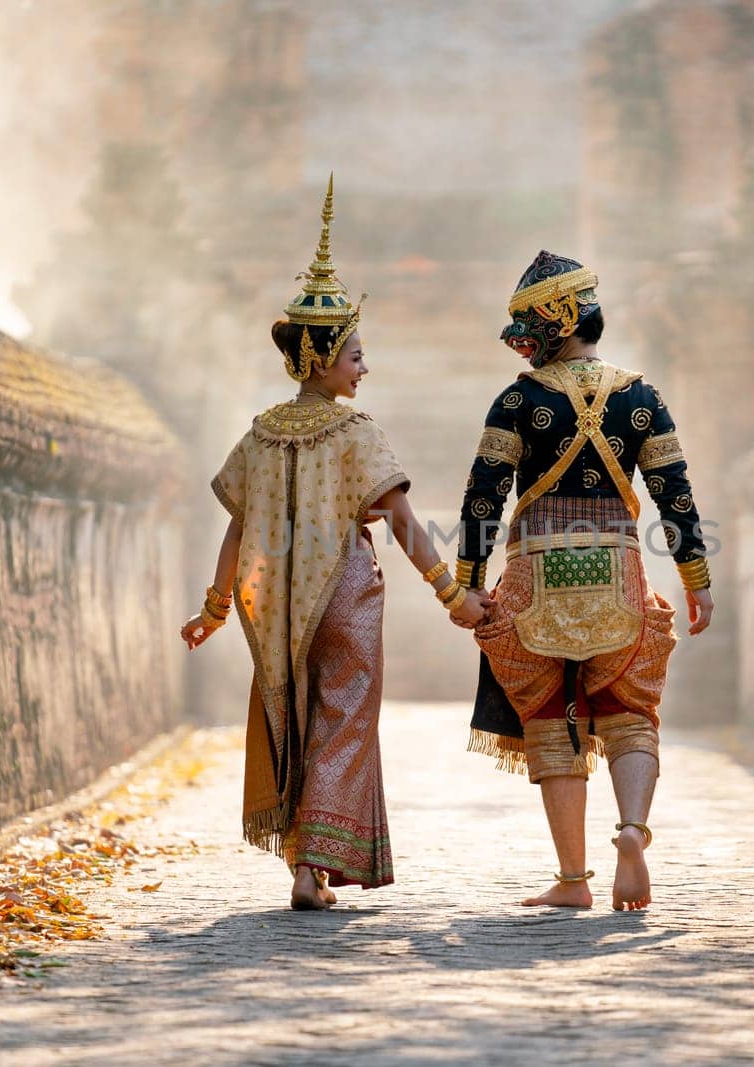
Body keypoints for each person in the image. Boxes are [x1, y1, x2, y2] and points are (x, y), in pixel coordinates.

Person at [182, 176, 488, 910]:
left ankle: (305, 861)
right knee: (343, 719)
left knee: (294, 711)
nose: (364, 366)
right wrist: (452, 593)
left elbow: (236, 525)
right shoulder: (355, 433)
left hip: (276, 606)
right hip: (344, 593)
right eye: (354, 354)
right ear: (319, 357)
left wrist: (216, 608)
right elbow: (407, 521)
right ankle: (312, 862)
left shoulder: (258, 434)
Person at [457, 250, 714, 911]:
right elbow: (674, 494)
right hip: (620, 573)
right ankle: (631, 828)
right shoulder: (641, 396)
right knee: (631, 712)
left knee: (549, 716)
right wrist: (696, 580)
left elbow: (483, 497)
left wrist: (468, 583)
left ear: (555, 324)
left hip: (538, 575)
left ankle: (573, 880)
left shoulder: (518, 399)